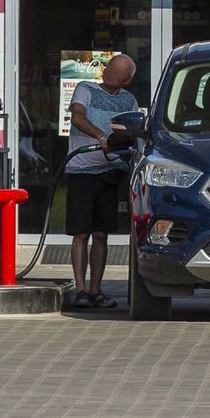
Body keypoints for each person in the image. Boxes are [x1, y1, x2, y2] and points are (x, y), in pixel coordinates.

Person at [65, 54, 138, 309]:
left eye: (116, 71)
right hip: (81, 172)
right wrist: (100, 135)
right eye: (109, 67)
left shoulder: (128, 100)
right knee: (80, 233)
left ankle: (96, 290)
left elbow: (131, 132)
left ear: (126, 80)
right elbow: (76, 116)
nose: (108, 72)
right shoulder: (86, 89)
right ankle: (80, 289)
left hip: (109, 173)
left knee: (101, 234)